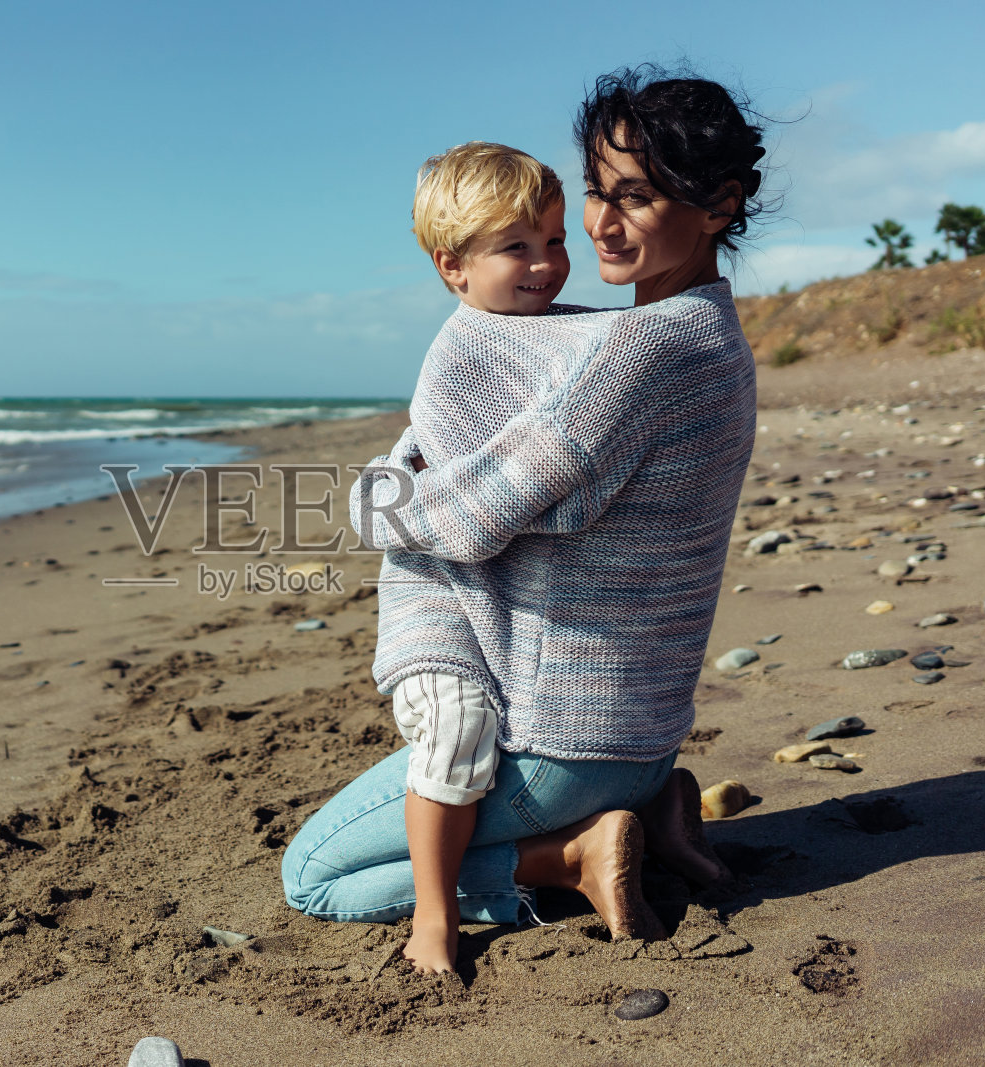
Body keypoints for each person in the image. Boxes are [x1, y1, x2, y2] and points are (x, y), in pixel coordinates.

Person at [281, 65, 768, 967]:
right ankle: (650, 816)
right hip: (640, 734)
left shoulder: (647, 353)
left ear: (718, 205)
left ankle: (564, 856)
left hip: (565, 743)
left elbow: (468, 517)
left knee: (312, 874)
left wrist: (376, 491)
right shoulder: (706, 338)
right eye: (594, 192)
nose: (601, 225)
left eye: (639, 197)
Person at [377, 140, 579, 975]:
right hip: (439, 590)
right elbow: (468, 516)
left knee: (533, 725)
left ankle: (607, 826)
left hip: (504, 584)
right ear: (452, 267)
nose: (544, 265)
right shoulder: (458, 358)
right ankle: (435, 914)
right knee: (459, 728)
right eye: (515, 248)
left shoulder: (576, 334)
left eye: (555, 241)